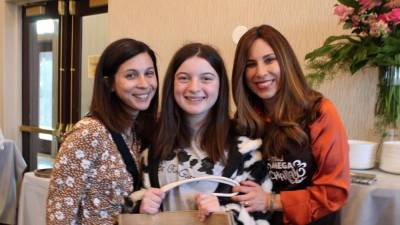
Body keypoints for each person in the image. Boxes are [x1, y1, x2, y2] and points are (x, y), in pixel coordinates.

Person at [135, 43, 272, 224]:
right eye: (184, 78)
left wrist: (223, 214)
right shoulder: (151, 148)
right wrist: (141, 206)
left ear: (220, 85)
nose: (194, 88)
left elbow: (262, 216)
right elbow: (130, 207)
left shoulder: (246, 149)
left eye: (206, 78)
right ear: (171, 84)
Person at [230, 25, 350, 225]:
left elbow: (333, 191)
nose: (260, 72)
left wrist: (271, 201)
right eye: (250, 64)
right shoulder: (246, 119)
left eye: (269, 60)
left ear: (286, 61)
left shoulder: (320, 112)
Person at [46, 38, 159, 225]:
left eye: (149, 73)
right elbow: (59, 214)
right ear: (110, 84)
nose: (144, 84)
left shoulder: (140, 130)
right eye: (131, 75)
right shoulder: (88, 133)